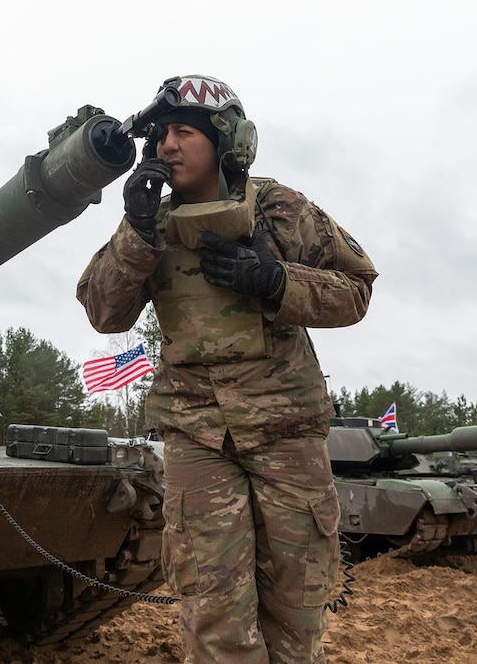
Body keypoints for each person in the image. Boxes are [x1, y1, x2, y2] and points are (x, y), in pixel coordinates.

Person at [77, 75, 377, 663]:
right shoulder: (151, 224)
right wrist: (135, 231)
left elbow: (357, 290)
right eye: (160, 135)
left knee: (297, 602)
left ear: (228, 143)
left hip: (287, 432)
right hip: (197, 437)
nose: (166, 146)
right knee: (213, 607)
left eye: (183, 132)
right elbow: (103, 312)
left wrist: (275, 280)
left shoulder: (279, 210)